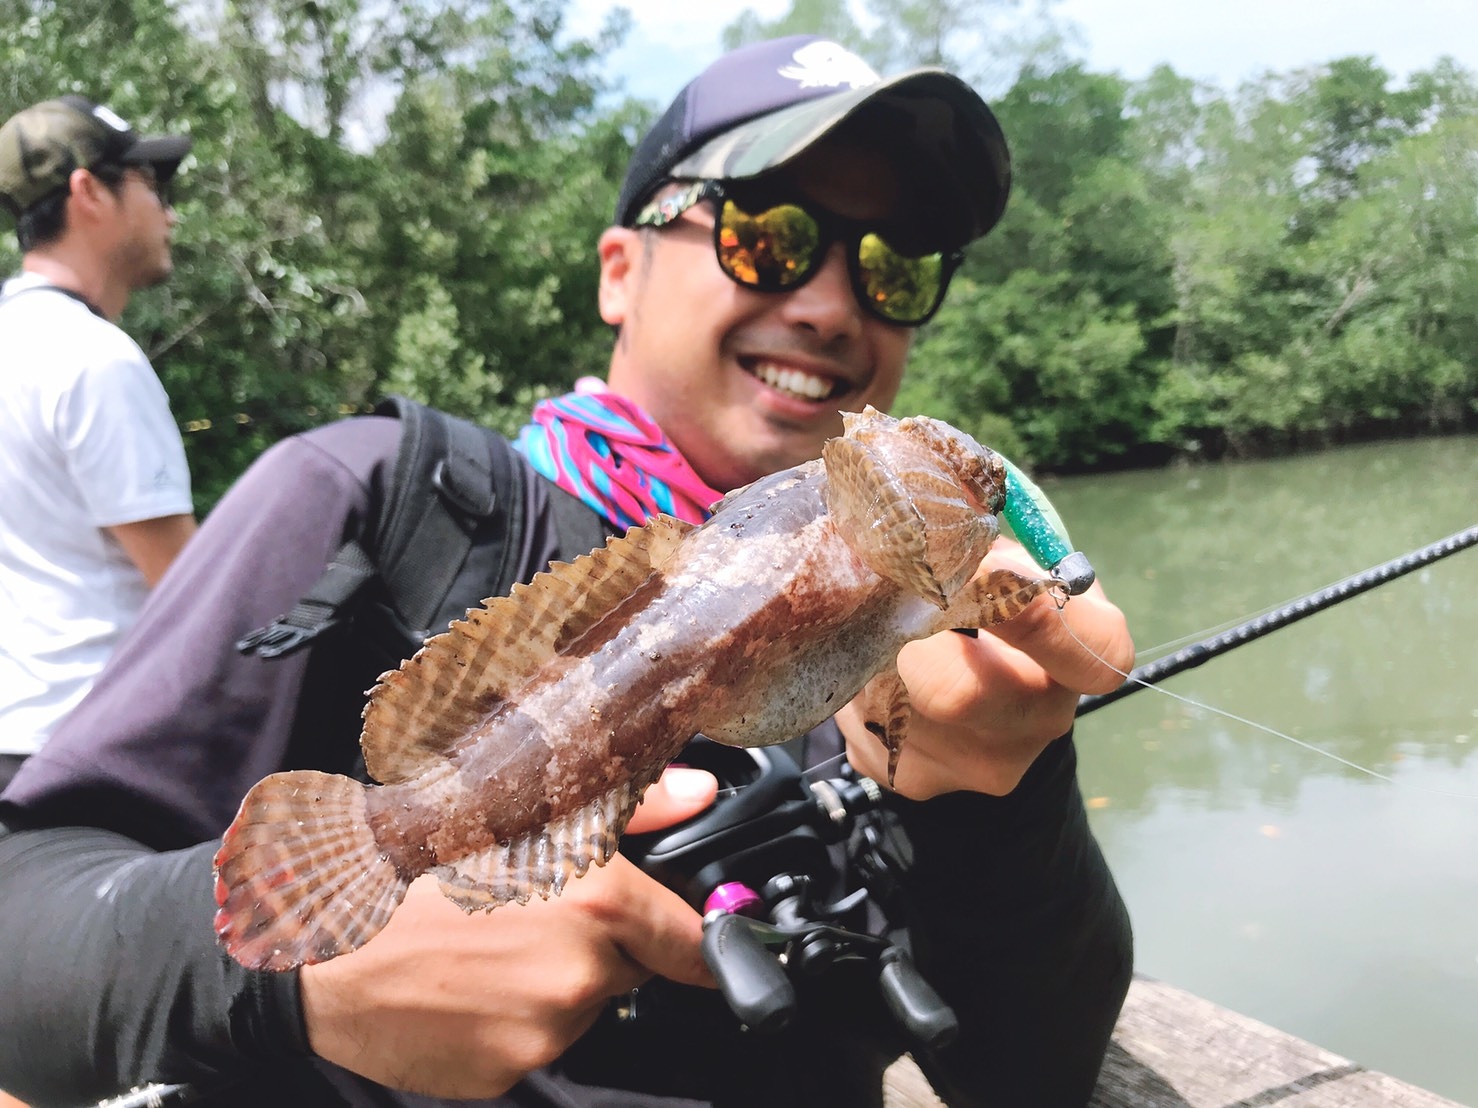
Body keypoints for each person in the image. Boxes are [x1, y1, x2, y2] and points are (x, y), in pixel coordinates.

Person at [0, 36, 1135, 1108]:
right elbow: (23, 910)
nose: (833, 304)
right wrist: (287, 982)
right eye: (767, 235)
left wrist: (1006, 787)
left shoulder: (914, 640)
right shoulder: (369, 498)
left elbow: (1030, 1077)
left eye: (892, 269)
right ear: (616, 270)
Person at [0, 95, 196, 792]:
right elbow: (189, 591)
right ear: (89, 191)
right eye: (152, 184)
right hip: (105, 756)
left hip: (18, 741)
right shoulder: (91, 357)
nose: (169, 212)